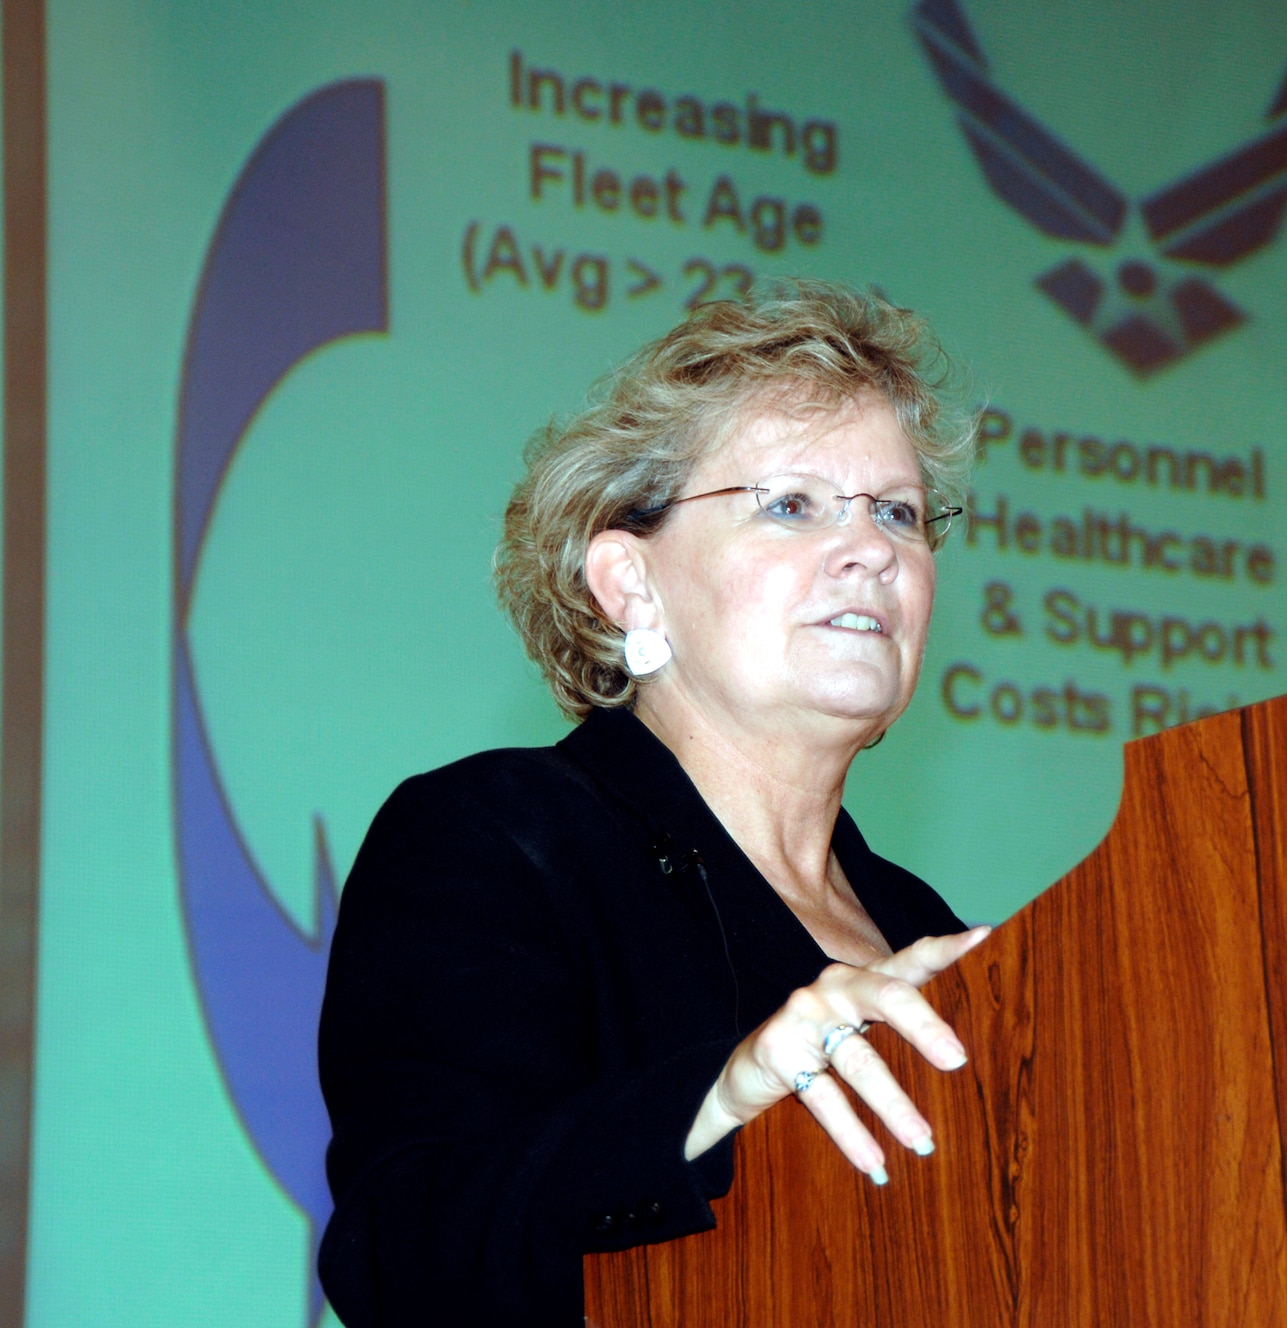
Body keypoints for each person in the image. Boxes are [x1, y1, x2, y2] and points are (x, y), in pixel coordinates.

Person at [316, 281, 988, 1327]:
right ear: (630, 584)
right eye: (790, 503)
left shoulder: (930, 933)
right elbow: (405, 1250)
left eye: (897, 511)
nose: (873, 550)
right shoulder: (498, 838)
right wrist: (722, 1097)